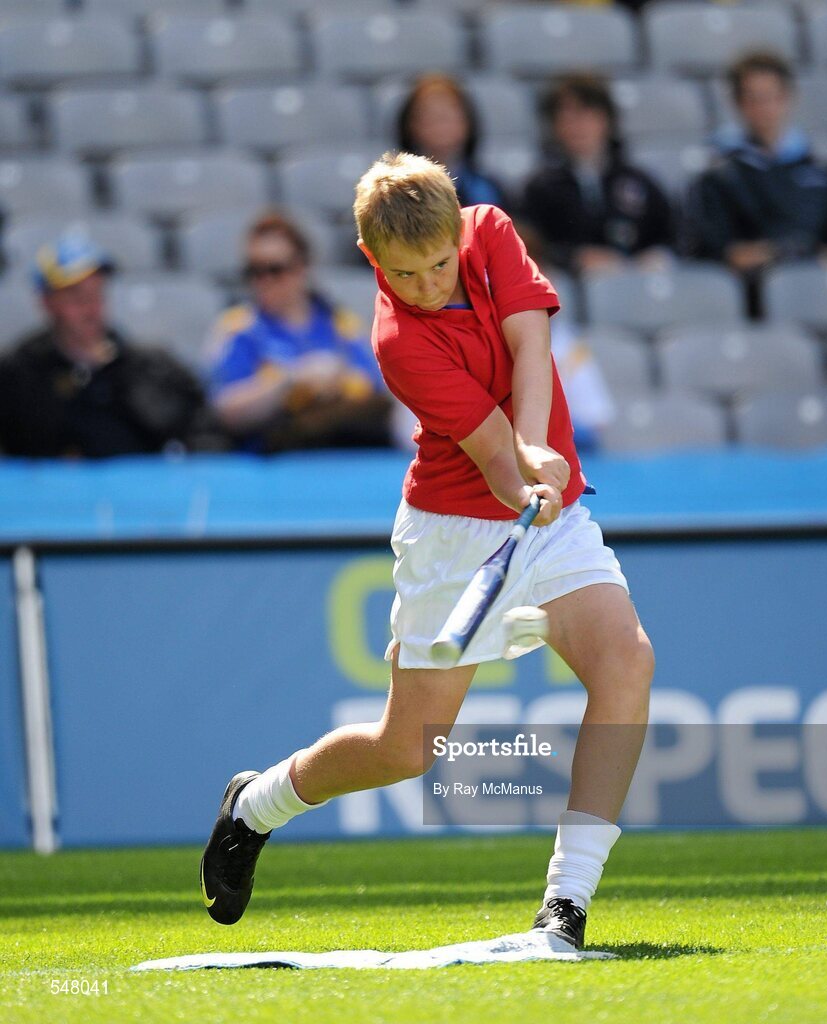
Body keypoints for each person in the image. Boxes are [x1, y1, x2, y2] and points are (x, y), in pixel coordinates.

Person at [199, 153, 655, 950]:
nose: (427, 285)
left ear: (457, 236)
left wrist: (539, 451)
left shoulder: (491, 231)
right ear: (372, 258)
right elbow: (494, 459)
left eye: (440, 264)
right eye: (404, 274)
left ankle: (566, 902)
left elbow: (530, 345)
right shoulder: (396, 342)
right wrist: (523, 471)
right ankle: (256, 805)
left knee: (626, 662)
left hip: (553, 515)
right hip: (453, 532)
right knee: (405, 749)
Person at [0, 233, 217, 459]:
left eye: (97, 293)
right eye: (75, 296)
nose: (90, 308)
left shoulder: (150, 368)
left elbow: (203, 435)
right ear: (47, 302)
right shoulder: (19, 373)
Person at [205, 211, 391, 452]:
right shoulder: (238, 330)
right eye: (254, 271)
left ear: (302, 268)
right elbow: (224, 411)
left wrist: (339, 378)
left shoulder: (342, 326)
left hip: (345, 455)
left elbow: (378, 392)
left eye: (275, 270)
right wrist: (290, 380)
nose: (264, 281)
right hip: (270, 459)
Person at [690, 52, 827, 274]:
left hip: (815, 282)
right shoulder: (718, 178)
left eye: (771, 97)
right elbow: (717, 251)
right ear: (738, 103)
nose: (764, 108)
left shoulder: (824, 173)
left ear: (788, 97)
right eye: (753, 99)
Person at [521, 73, 675, 274]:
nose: (577, 126)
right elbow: (529, 246)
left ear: (607, 119)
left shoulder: (639, 182)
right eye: (566, 117)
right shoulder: (540, 189)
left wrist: (655, 255)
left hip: (635, 282)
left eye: (586, 114)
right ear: (554, 126)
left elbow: (671, 235)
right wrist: (573, 258)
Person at [396, 73, 506, 210]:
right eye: (429, 113)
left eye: (449, 113)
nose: (441, 121)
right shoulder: (394, 191)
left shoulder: (487, 189)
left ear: (468, 122)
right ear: (410, 124)